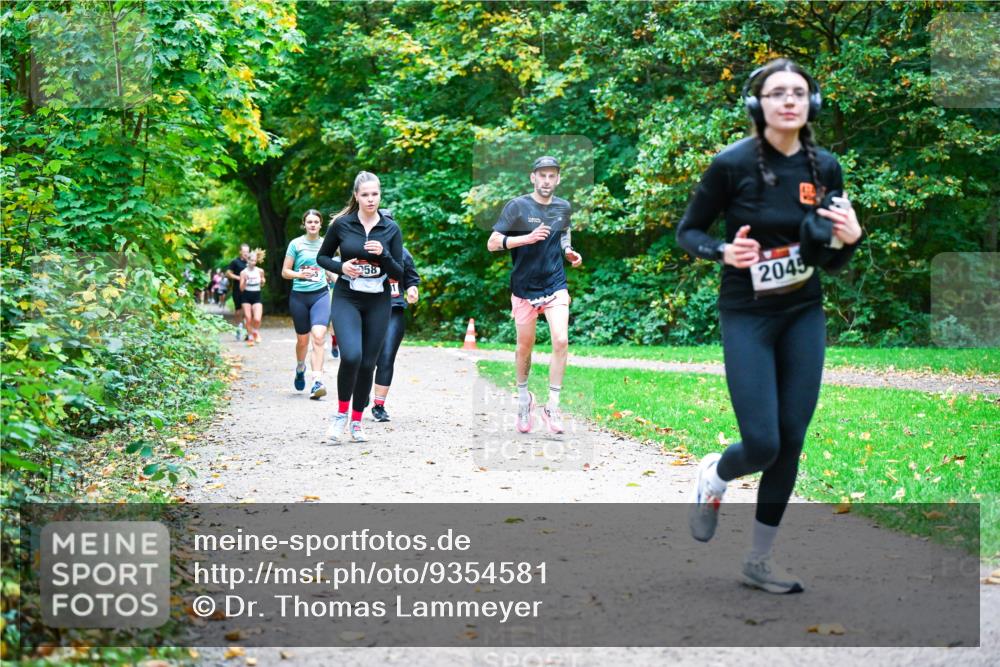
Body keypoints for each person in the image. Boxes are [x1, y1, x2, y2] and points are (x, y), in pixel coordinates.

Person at [676, 58, 863, 594]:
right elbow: (688, 233)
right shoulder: (730, 165)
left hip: (802, 311)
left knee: (792, 441)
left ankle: (759, 560)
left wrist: (850, 239)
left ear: (812, 104)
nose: (789, 101)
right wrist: (723, 252)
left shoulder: (824, 167)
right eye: (777, 93)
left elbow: (828, 260)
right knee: (762, 443)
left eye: (799, 93)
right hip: (747, 313)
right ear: (758, 105)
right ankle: (715, 475)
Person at [487, 156, 583, 434]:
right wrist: (525, 239)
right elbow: (492, 243)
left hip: (554, 284)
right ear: (533, 177)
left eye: (552, 176)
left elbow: (564, 234)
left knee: (561, 339)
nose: (546, 181)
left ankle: (552, 405)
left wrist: (568, 251)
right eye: (542, 176)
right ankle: (524, 399)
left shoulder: (563, 207)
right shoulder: (517, 206)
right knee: (524, 348)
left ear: (558, 179)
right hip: (524, 289)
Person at [316, 171, 404, 443]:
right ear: (356, 196)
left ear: (380, 195)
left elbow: (399, 272)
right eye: (365, 194)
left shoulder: (391, 228)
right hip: (347, 297)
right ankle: (340, 415)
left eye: (375, 194)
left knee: (368, 364)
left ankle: (356, 421)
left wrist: (384, 254)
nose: (370, 199)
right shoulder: (342, 225)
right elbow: (322, 257)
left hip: (378, 300)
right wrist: (341, 267)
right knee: (351, 356)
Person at [282, 210, 331, 399]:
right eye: (309, 221)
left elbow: (330, 268)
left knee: (318, 337)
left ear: (320, 224)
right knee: (303, 340)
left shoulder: (326, 243)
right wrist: (299, 274)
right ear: (304, 224)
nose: (312, 224)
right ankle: (300, 367)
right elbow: (285, 272)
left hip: (320, 295)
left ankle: (317, 381)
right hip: (299, 297)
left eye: (316, 222)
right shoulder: (296, 244)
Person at [370, 246, 421, 422]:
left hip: (394, 310)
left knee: (386, 358)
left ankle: (379, 406)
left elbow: (411, 278)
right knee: (366, 359)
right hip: (367, 310)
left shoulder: (402, 252)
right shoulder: (362, 247)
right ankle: (360, 393)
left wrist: (413, 288)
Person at [238, 249, 266, 346]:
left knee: (257, 319)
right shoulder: (243, 272)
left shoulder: (260, 271)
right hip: (246, 296)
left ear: (256, 261)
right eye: (251, 260)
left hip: (256, 295)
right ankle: (250, 337)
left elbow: (262, 283)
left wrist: (262, 281)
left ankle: (255, 331)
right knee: (248, 318)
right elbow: (241, 289)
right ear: (248, 260)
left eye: (254, 260)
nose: (252, 262)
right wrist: (245, 281)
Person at [226, 244, 250, 340]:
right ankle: (239, 328)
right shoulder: (235, 262)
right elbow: (227, 273)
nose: (246, 254)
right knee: (239, 310)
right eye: (244, 252)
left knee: (248, 310)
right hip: (237, 290)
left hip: (249, 290)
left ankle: (248, 332)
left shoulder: (250, 262)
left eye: (248, 252)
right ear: (240, 252)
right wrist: (239, 278)